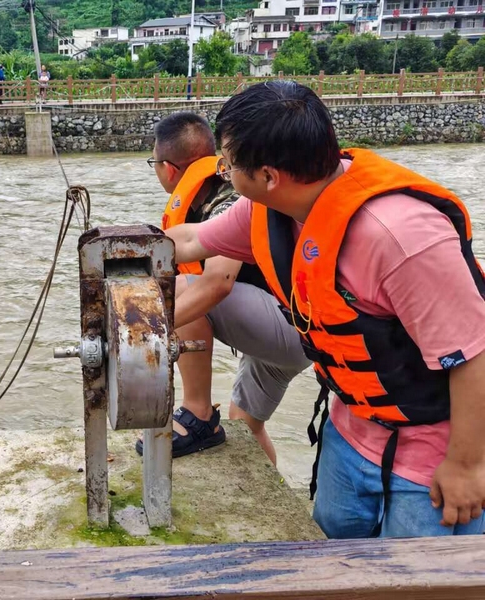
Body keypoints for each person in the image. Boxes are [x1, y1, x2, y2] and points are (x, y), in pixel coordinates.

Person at [164, 80, 485, 539]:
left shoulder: (403, 239)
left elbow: (474, 354)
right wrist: (115, 245)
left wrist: (468, 465)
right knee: (334, 557)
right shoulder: (267, 211)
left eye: (228, 164)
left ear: (270, 175)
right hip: (351, 427)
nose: (224, 172)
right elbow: (194, 239)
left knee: (416, 583)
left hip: (435, 450)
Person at [136, 112, 310, 465]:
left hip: (291, 327)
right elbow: (185, 242)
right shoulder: (218, 194)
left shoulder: (228, 197)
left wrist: (145, 336)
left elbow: (218, 283)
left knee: (182, 286)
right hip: (291, 326)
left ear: (168, 169)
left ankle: (198, 413)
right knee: (247, 425)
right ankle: (269, 505)